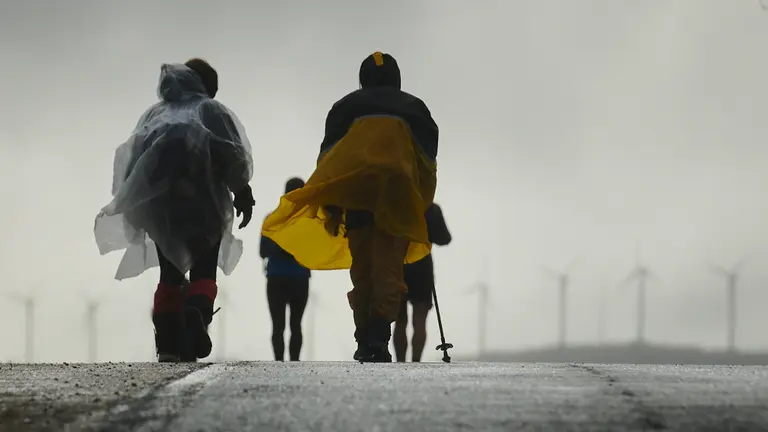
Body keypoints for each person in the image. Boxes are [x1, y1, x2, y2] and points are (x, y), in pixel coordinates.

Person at [261, 51, 439, 363]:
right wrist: (419, 202)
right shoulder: (415, 109)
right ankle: (377, 335)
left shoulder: (345, 108)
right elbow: (427, 161)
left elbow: (329, 161)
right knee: (388, 269)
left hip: (357, 202)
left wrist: (330, 205)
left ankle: (365, 336)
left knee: (363, 270)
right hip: (397, 202)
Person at [94, 58, 255, 363]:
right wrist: (242, 192)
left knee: (169, 273)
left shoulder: (154, 114)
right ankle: (196, 312)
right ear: (205, 86)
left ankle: (167, 340)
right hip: (203, 203)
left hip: (160, 209)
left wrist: (135, 206)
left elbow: (133, 163)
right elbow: (231, 153)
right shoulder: (211, 111)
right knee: (204, 267)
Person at [260, 177, 312, 361]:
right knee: (296, 324)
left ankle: (278, 362)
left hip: (276, 278)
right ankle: (294, 363)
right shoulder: (309, 219)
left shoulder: (272, 218)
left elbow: (262, 251)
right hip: (300, 278)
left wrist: (280, 247)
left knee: (278, 325)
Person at [393, 203, 452, 362]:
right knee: (420, 320)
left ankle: (400, 363)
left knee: (399, 320)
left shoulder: (396, 206)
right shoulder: (429, 208)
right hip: (422, 267)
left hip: (399, 264)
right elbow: (445, 239)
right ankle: (416, 362)